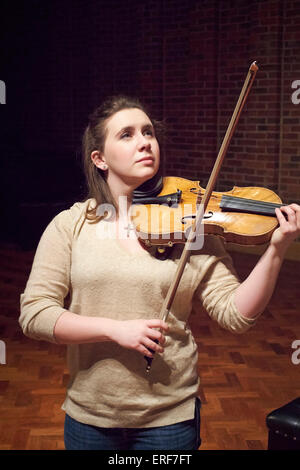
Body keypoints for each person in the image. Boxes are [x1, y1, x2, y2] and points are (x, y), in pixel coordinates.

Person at [19, 95, 300, 450]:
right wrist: (114, 330)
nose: (145, 142)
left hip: (169, 417)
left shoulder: (191, 223)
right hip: (90, 415)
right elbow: (35, 314)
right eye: (127, 134)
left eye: (148, 132)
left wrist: (276, 249)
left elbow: (236, 314)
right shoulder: (71, 225)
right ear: (99, 158)